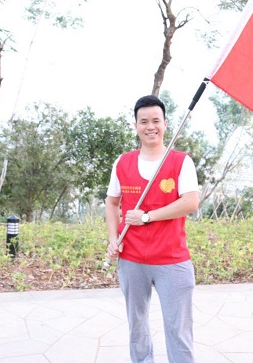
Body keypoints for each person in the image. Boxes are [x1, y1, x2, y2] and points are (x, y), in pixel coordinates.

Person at [105, 94, 199, 363]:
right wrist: (113, 239)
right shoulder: (123, 162)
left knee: (178, 328)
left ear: (165, 124)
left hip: (172, 260)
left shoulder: (181, 161)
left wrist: (147, 217)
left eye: (156, 120)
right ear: (136, 125)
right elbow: (111, 203)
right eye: (144, 121)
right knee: (137, 325)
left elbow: (190, 202)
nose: (150, 126)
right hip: (132, 259)